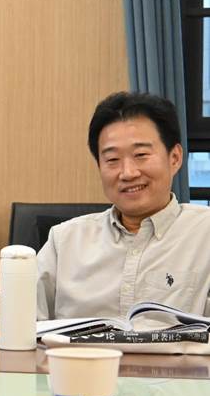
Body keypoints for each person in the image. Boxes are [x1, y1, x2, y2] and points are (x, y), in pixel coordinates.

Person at [37, 91, 210, 320]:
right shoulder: (63, 241)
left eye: (141, 154)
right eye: (112, 160)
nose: (128, 173)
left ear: (175, 158)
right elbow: (20, 325)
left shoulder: (204, 234)